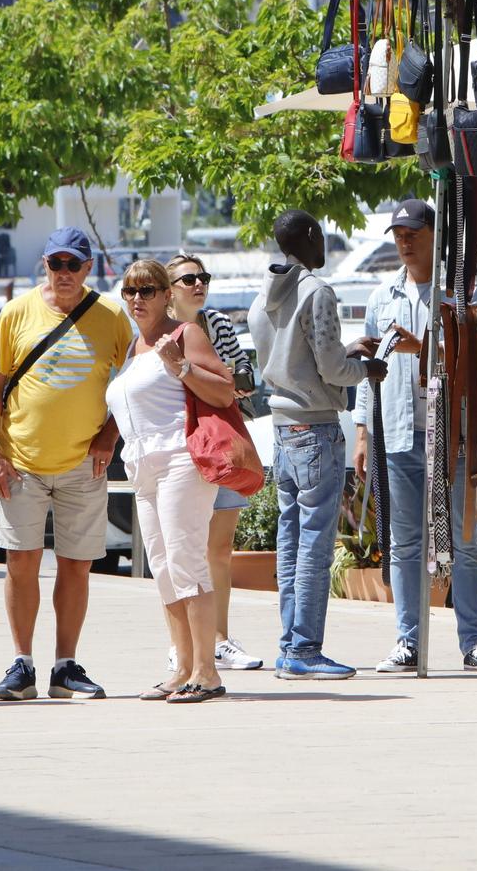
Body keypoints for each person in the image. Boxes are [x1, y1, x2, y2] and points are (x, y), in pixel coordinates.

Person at [0, 226, 131, 703]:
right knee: (20, 563)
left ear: (88, 268)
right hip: (20, 461)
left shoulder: (111, 317)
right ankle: (22, 664)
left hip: (83, 465)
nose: (64, 273)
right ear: (44, 264)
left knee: (77, 566)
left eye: (73, 264)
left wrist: (109, 435)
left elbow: (131, 385)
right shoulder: (16, 313)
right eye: (56, 263)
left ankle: (65, 666)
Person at [357, 200, 477, 674]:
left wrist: (423, 347)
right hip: (401, 434)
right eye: (398, 233)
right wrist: (363, 433)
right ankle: (408, 640)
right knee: (403, 544)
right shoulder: (384, 298)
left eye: (412, 232)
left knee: (463, 542)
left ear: (433, 234)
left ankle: (472, 643)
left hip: (453, 435)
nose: (403, 241)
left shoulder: (458, 295)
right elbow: (367, 372)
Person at [249, 209, 385, 681]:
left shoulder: (263, 296)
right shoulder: (317, 292)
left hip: (283, 430)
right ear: (308, 236)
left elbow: (294, 360)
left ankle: (290, 645)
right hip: (316, 429)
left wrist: (346, 352)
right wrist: (366, 369)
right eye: (321, 233)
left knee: (290, 540)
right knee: (315, 544)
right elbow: (329, 371)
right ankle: (305, 649)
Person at [108, 260, 239, 703]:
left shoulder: (185, 334)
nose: (138, 299)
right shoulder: (134, 347)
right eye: (130, 291)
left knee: (186, 563)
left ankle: (208, 671)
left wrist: (181, 367)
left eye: (147, 290)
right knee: (163, 570)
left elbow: (225, 391)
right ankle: (183, 667)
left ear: (167, 294)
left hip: (181, 462)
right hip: (143, 469)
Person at [165, 252, 264, 672]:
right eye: (188, 280)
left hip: (217, 443)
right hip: (177, 446)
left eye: (202, 277)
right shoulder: (160, 330)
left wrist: (222, 378)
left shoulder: (218, 324)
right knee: (179, 551)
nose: (198, 285)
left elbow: (241, 375)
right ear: (169, 289)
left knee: (218, 549)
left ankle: (220, 638)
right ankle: (184, 644)